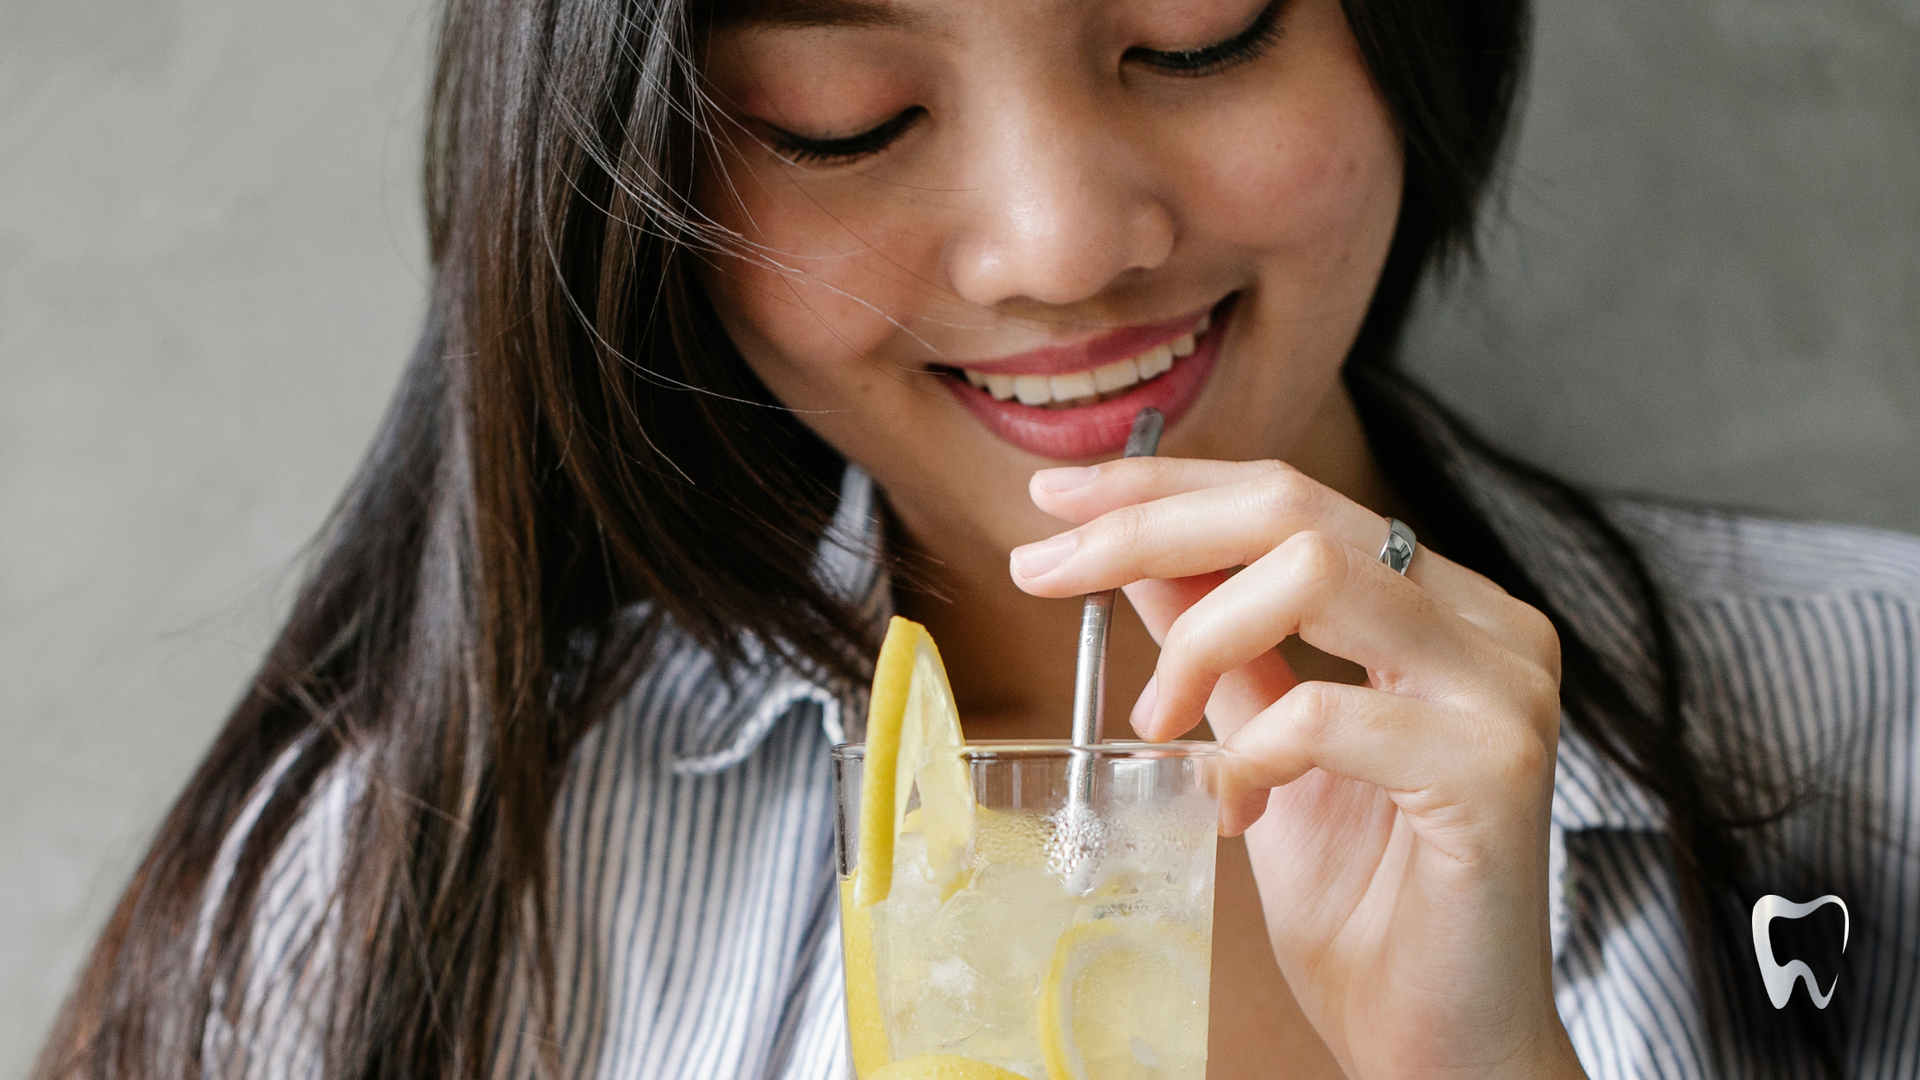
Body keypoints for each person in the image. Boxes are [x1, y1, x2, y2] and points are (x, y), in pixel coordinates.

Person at [33, 0, 1919, 1077]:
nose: (1060, 248)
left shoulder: (1886, 733)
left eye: (1196, 31)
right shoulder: (390, 893)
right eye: (849, 122)